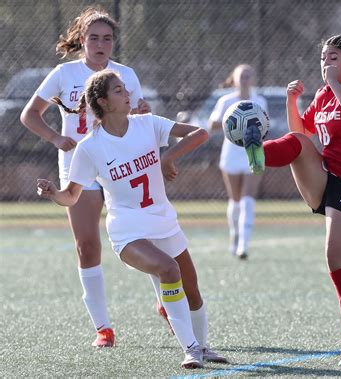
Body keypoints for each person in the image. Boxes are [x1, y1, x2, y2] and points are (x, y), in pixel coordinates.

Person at [36, 69, 228, 368]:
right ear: (103, 102)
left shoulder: (147, 124)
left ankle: (202, 347)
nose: (127, 94)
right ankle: (190, 349)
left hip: (163, 219)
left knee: (192, 288)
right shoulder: (90, 147)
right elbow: (71, 196)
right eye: (119, 91)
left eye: (125, 89)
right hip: (128, 230)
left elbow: (200, 133)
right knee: (168, 269)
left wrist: (168, 156)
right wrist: (53, 193)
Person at [20, 6, 170, 348]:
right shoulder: (64, 73)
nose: (101, 44)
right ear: (82, 41)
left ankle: (165, 302)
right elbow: (30, 115)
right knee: (87, 246)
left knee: (144, 234)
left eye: (107, 38)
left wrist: (142, 111)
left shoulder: (125, 74)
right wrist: (57, 138)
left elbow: (134, 114)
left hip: (121, 162)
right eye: (94, 38)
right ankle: (103, 328)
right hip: (80, 163)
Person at [243, 34, 341, 366]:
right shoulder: (321, 94)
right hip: (328, 177)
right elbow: (302, 134)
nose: (326, 63)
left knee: (336, 258)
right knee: (298, 144)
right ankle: (257, 154)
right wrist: (292, 100)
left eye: (334, 58)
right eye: (323, 57)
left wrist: (335, 83)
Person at [208, 64, 268, 260]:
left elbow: (264, 126)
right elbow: (213, 124)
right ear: (234, 79)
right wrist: (232, 120)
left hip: (252, 153)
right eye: (242, 76)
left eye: (249, 75)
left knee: (247, 201)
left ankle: (244, 244)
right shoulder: (226, 101)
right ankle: (234, 236)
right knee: (235, 201)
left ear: (253, 79)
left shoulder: (259, 101)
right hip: (231, 155)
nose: (245, 79)